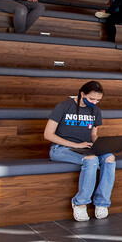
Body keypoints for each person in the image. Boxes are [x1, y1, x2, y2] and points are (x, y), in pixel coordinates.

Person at [43, 80, 115, 222]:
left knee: (109, 158)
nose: (94, 102)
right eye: (91, 99)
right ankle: (80, 203)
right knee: (91, 159)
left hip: (85, 148)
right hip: (60, 149)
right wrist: (76, 145)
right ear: (82, 94)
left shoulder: (96, 110)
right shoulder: (63, 106)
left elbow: (93, 134)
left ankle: (102, 202)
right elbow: (48, 134)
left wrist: (100, 145)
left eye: (98, 100)